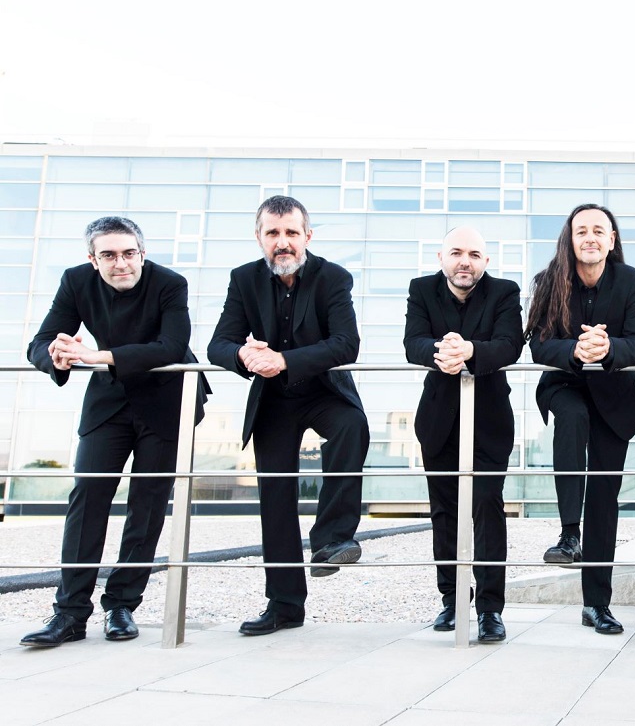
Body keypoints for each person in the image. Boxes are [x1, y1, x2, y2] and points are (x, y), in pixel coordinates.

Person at [20, 217, 208, 648]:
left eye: (128, 253)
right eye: (108, 255)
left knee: (147, 504)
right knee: (87, 496)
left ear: (142, 253)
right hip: (109, 400)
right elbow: (39, 342)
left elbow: (170, 347)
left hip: (167, 399)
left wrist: (96, 355)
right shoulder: (76, 282)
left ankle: (121, 605)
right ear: (93, 259)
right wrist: (56, 355)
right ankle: (69, 614)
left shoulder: (170, 283)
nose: (120, 263)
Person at [208, 195, 369, 636]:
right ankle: (284, 606)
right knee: (275, 498)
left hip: (323, 389)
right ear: (259, 237)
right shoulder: (243, 279)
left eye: (291, 232)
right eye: (273, 233)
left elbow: (346, 344)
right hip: (273, 399)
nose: (283, 242)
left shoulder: (334, 278)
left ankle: (332, 539)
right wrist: (244, 354)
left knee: (352, 426)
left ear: (307, 236)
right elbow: (218, 344)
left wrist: (284, 360)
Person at [526, 203, 635, 634]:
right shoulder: (549, 280)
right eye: (582, 231)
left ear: (611, 239)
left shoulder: (631, 281)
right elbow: (538, 345)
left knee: (604, 500)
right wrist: (576, 350)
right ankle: (568, 533)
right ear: (570, 239)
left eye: (599, 230)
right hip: (566, 384)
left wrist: (608, 348)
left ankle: (596, 605)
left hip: (614, 397)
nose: (590, 237)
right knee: (572, 416)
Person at [404, 226, 523, 643]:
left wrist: (469, 351)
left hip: (490, 419)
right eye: (456, 253)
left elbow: (510, 344)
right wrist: (444, 352)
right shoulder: (421, 290)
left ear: (485, 262)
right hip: (438, 419)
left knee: (488, 508)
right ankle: (452, 600)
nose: (464, 261)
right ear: (441, 257)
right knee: (444, 511)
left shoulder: (504, 292)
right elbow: (412, 343)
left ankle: (490, 610)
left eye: (474, 255)